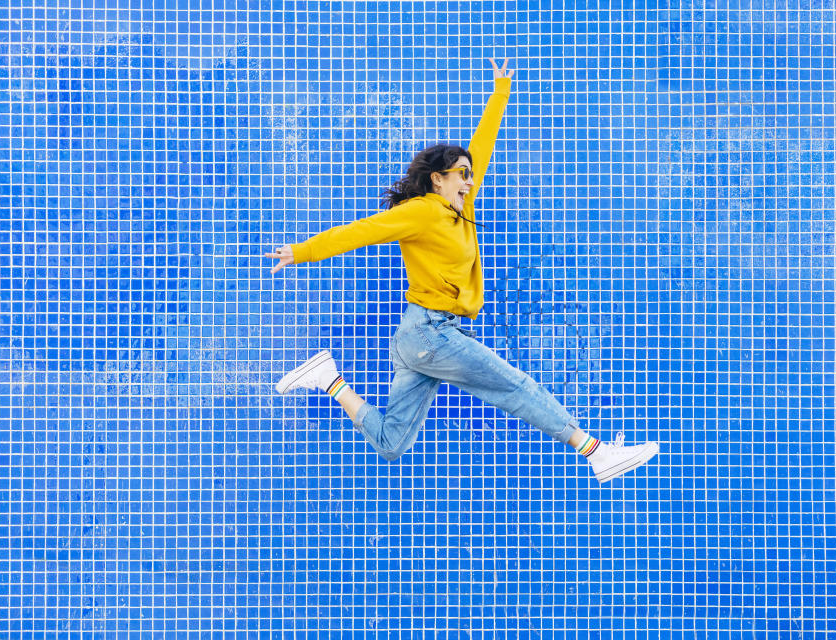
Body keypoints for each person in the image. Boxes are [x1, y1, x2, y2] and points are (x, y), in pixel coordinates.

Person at [265, 58, 659, 483]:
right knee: (514, 386)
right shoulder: (421, 212)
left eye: (470, 176)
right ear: (437, 180)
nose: (470, 181)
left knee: (391, 441)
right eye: (461, 175)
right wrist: (301, 252)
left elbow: (482, 147)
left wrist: (500, 90)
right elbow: (362, 231)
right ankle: (596, 452)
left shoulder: (460, 209)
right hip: (430, 334)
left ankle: (327, 378)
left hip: (421, 336)